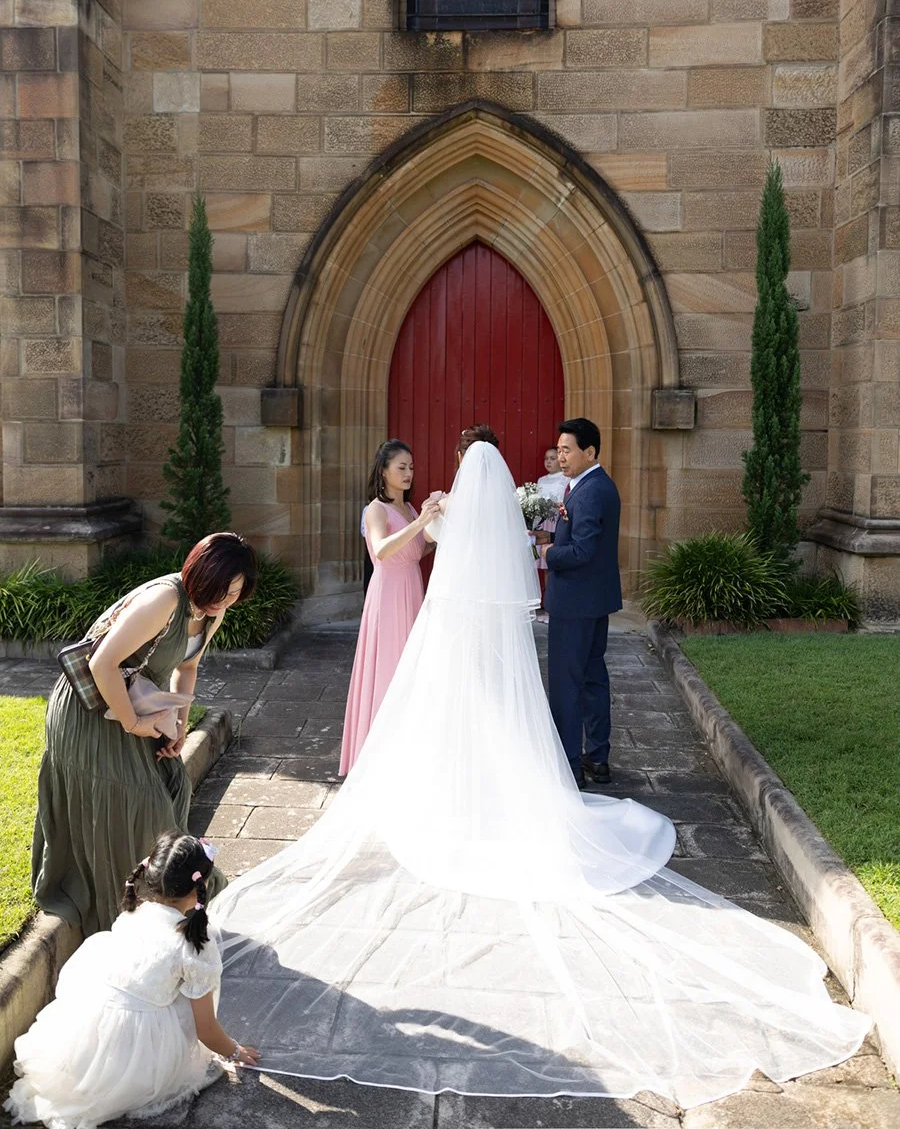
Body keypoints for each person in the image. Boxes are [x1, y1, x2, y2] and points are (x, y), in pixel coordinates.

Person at [209, 442, 868, 1110]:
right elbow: (430, 547)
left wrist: (446, 516)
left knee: (443, 711)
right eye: (404, 465)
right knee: (488, 713)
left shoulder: (435, 512)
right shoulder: (421, 514)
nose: (414, 473)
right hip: (460, 621)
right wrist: (459, 519)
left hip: (446, 622)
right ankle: (478, 792)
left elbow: (445, 546)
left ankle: (451, 796)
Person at [32, 532, 258, 935]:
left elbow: (186, 668)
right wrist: (135, 725)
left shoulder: (212, 611)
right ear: (196, 572)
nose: (223, 601)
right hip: (90, 711)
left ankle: (173, 897)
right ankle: (138, 911)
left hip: (134, 701)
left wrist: (180, 725)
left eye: (233, 594)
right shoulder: (164, 601)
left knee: (173, 785)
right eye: (218, 590)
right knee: (142, 804)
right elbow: (103, 664)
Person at [5, 832, 260, 1129]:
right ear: (200, 888)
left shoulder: (136, 910)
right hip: (136, 1050)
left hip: (88, 1025)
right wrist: (234, 1051)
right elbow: (205, 1028)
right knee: (193, 992)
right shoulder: (195, 947)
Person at [339, 440, 439, 775]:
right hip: (387, 594)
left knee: (412, 669)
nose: (409, 473)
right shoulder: (376, 509)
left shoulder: (411, 509)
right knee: (390, 667)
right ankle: (379, 754)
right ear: (384, 470)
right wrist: (421, 522)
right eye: (402, 467)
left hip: (412, 587)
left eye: (411, 467)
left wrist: (440, 527)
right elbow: (381, 550)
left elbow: (415, 552)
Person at [540, 417, 620, 787]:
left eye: (568, 449)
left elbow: (583, 550)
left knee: (566, 684)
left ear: (590, 452)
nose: (561, 455)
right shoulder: (593, 485)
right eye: (559, 449)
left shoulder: (589, 491)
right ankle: (598, 757)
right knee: (591, 678)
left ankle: (570, 763)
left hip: (574, 602)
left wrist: (545, 552)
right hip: (593, 599)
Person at [534, 445, 567, 620]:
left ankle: (555, 607)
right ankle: (545, 605)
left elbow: (565, 502)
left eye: (552, 458)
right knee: (544, 566)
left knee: (554, 565)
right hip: (543, 524)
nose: (549, 461)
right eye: (546, 458)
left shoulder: (564, 479)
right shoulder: (541, 480)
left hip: (556, 524)